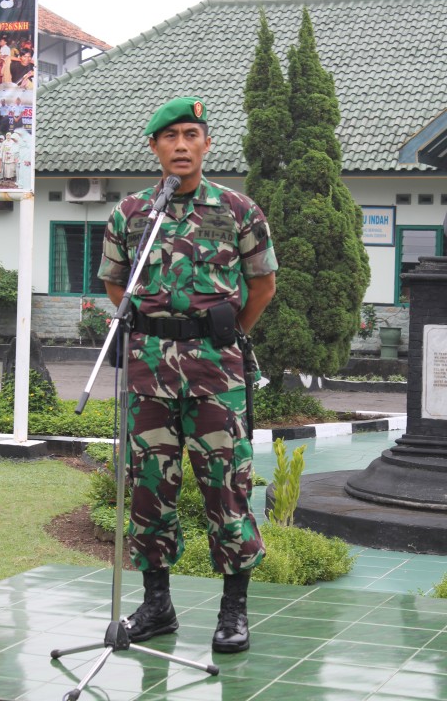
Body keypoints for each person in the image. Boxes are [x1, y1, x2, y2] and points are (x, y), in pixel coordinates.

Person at [98, 97, 278, 654]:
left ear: (206, 143)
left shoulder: (238, 209)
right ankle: (157, 606)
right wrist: (154, 328)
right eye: (170, 136)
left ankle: (233, 611)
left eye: (191, 134)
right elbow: (114, 283)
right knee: (150, 488)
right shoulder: (131, 214)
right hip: (148, 370)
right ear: (154, 147)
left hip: (215, 371)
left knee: (226, 486)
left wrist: (227, 329)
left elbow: (264, 283)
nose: (180, 145)